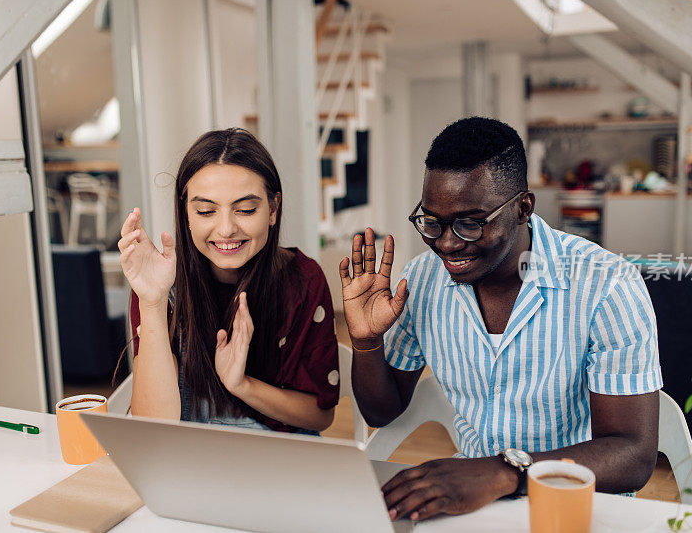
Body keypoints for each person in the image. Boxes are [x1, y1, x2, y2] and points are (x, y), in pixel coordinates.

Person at [340, 117, 661, 521]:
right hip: (474, 502)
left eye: (471, 223)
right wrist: (367, 341)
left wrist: (503, 471)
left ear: (523, 207)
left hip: (576, 503)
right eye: (432, 222)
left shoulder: (607, 286)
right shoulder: (421, 281)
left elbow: (633, 454)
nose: (447, 243)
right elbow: (381, 412)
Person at [119, 128, 338, 433]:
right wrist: (153, 302)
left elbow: (320, 416)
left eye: (246, 209)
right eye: (206, 211)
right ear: (186, 214)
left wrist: (241, 385)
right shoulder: (160, 280)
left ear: (273, 209)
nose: (225, 229)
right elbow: (153, 426)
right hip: (190, 459)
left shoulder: (302, 280)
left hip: (280, 460)